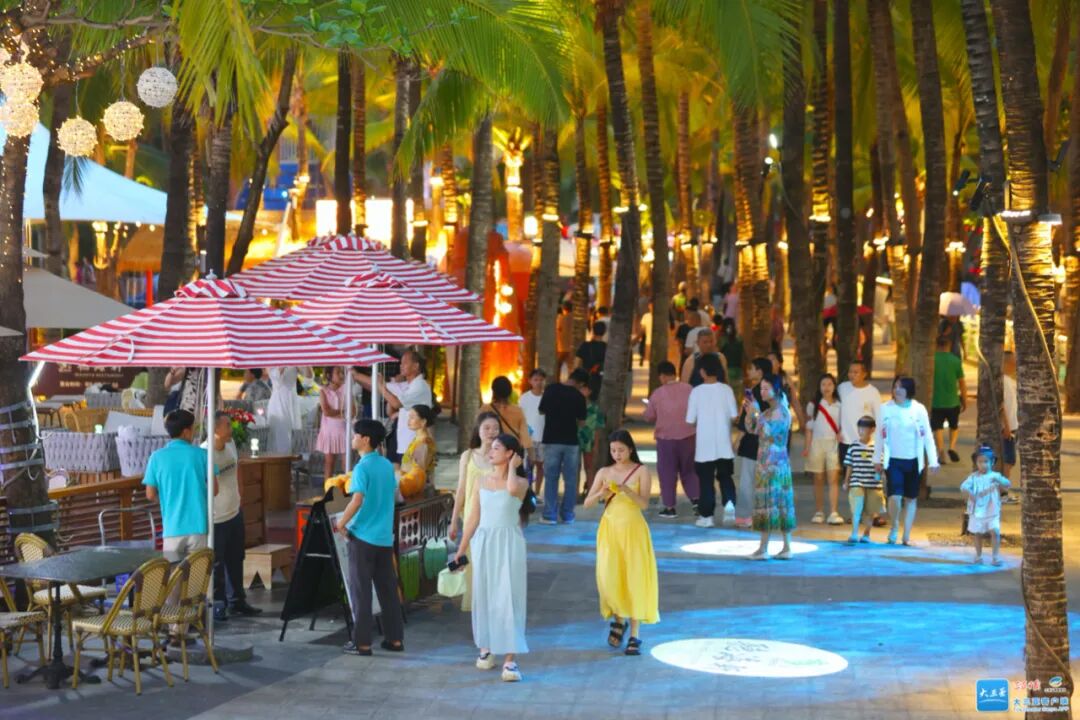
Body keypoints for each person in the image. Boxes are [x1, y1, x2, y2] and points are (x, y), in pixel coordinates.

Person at [453, 434, 531, 682]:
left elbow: (511, 489)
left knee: (510, 596)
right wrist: (461, 549)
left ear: (510, 454)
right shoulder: (481, 481)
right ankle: (485, 647)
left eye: (497, 448)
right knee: (484, 594)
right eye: (492, 448)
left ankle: (510, 659)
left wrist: (513, 467)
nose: (491, 451)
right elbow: (473, 517)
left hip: (509, 542)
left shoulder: (520, 482)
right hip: (484, 541)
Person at [583, 430, 659, 656]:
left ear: (630, 449)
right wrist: (601, 493)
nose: (617, 454)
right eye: (613, 450)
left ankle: (635, 633)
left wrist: (626, 490)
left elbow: (644, 504)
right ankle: (618, 618)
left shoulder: (641, 471)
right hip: (610, 530)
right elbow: (587, 503)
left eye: (621, 450)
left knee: (634, 577)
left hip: (633, 530)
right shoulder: (604, 472)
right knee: (610, 576)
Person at [335, 419, 405, 656]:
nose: (353, 438)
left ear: (365, 439)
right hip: (384, 537)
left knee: (361, 592)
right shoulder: (386, 465)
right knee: (388, 590)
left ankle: (362, 642)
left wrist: (341, 523)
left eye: (355, 435)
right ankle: (395, 639)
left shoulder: (362, 468)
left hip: (363, 537)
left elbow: (357, 500)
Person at [206, 412, 261, 621]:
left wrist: (240, 491)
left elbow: (237, 467)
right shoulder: (206, 452)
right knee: (217, 564)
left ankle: (237, 601)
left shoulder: (230, 445)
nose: (231, 429)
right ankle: (218, 605)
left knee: (236, 558)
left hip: (234, 511)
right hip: (216, 517)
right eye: (227, 425)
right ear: (215, 429)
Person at [874, 376, 939, 546]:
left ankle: (906, 535)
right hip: (893, 461)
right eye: (895, 386)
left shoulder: (919, 409)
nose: (897, 390)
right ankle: (894, 525)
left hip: (913, 461)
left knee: (911, 498)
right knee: (894, 497)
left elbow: (928, 436)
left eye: (901, 387)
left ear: (909, 390)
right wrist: (876, 459)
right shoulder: (885, 409)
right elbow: (879, 436)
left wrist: (933, 461)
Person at [143, 410, 217, 555]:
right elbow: (214, 490)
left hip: (172, 528)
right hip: (198, 526)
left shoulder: (156, 458)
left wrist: (168, 499)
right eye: (193, 428)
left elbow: (150, 494)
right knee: (198, 569)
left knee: (172, 569)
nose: (195, 432)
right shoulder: (203, 455)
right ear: (186, 432)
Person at [449, 412, 501, 612]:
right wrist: (454, 520)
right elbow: (461, 489)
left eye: (495, 428)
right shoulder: (468, 456)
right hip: (471, 513)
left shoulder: (500, 456)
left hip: (493, 516)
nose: (491, 432)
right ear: (478, 430)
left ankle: (492, 602)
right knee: (473, 558)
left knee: (491, 559)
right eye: (486, 428)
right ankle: (477, 603)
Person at [746, 375, 797, 559]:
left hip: (775, 465)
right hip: (766, 462)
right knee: (774, 503)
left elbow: (769, 433)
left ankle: (767, 548)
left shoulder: (782, 412)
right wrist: (751, 413)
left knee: (775, 503)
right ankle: (781, 547)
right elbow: (752, 429)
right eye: (761, 388)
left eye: (766, 388)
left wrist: (756, 414)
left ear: (776, 390)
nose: (762, 392)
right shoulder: (768, 412)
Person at [686, 354, 739, 528]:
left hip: (704, 446)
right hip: (724, 444)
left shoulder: (696, 392)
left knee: (706, 481)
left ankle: (707, 516)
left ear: (702, 371)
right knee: (725, 477)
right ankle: (729, 504)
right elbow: (734, 416)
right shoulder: (727, 390)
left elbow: (690, 420)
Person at [644, 361, 698, 518]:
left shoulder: (657, 394)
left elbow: (649, 416)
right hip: (689, 436)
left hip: (666, 439)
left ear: (661, 376)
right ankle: (697, 500)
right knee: (690, 470)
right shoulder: (689, 389)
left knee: (667, 472)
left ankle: (669, 507)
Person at [539, 368, 588, 524]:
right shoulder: (579, 397)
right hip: (571, 442)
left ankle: (550, 515)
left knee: (551, 478)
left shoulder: (551, 389)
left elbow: (541, 411)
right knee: (571, 479)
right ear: (581, 384)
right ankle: (568, 514)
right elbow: (582, 422)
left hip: (551, 440)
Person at [733, 358, 773, 529]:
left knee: (748, 479)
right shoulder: (775, 392)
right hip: (769, 442)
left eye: (752, 368)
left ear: (760, 371)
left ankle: (745, 516)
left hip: (752, 442)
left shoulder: (754, 392)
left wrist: (738, 439)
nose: (749, 371)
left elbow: (748, 419)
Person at [374, 350, 433, 464]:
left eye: (405, 363)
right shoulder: (409, 385)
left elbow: (397, 403)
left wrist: (381, 386)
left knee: (411, 473)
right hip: (404, 441)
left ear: (416, 366)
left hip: (413, 442)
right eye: (401, 363)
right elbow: (392, 408)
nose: (401, 366)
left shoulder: (420, 385)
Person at [960, 446, 1010, 566]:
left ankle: (995, 557)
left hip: (992, 509)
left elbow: (1007, 484)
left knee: (995, 531)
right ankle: (978, 556)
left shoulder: (995, 475)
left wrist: (1000, 480)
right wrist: (970, 492)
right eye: (980, 462)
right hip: (977, 510)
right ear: (976, 463)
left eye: (986, 461)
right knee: (978, 533)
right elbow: (963, 486)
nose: (983, 465)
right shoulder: (973, 477)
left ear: (992, 462)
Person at [804, 373, 843, 525]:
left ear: (834, 386)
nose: (826, 388)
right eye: (823, 384)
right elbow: (809, 428)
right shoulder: (813, 405)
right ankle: (819, 511)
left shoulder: (840, 405)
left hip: (833, 444)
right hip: (816, 444)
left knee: (833, 478)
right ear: (819, 387)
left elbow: (842, 425)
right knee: (818, 479)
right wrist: (807, 447)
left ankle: (833, 511)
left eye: (829, 384)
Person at [842, 416, 883, 544]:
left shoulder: (877, 447)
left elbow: (881, 464)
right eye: (859, 428)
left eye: (864, 428)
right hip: (857, 480)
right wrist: (846, 481)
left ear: (872, 429)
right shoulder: (853, 446)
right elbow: (849, 465)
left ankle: (866, 534)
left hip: (873, 483)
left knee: (871, 510)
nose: (861, 431)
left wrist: (880, 471)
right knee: (857, 507)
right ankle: (854, 533)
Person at [930, 334, 967, 464]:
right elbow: (962, 382)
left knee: (938, 427)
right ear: (949, 346)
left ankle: (940, 450)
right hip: (953, 401)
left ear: (936, 345)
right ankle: (951, 447)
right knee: (954, 426)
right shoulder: (955, 360)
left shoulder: (932, 360)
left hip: (936, 401)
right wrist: (964, 399)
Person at [479, 376, 532, 454]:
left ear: (493, 391)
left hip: (491, 450)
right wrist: (532, 456)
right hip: (511, 451)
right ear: (510, 392)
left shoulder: (485, 409)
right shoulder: (518, 410)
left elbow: (478, 431)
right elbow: (525, 437)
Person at [267, 367, 312, 454]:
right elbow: (277, 381)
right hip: (278, 402)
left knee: (294, 433)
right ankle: (279, 458)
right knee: (281, 434)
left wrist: (307, 364)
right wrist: (284, 363)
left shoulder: (293, 361)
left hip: (292, 401)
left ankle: (292, 459)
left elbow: (308, 379)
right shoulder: (270, 361)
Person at [316, 366, 348, 481]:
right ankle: (328, 489)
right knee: (329, 463)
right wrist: (343, 411)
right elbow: (326, 411)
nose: (341, 375)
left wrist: (339, 412)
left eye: (342, 372)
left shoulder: (346, 389)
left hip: (344, 431)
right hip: (329, 431)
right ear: (329, 376)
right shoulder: (323, 391)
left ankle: (348, 489)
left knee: (347, 463)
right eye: (338, 373)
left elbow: (353, 411)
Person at [518, 369, 546, 500]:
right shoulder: (524, 398)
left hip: (543, 437)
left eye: (541, 380)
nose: (538, 383)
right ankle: (528, 491)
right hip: (529, 438)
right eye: (536, 380)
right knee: (529, 466)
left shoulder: (547, 397)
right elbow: (521, 417)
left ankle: (538, 491)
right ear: (530, 381)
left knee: (541, 466)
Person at [399, 404, 438, 496]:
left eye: (412, 417)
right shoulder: (419, 440)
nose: (409, 420)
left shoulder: (423, 443)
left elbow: (419, 472)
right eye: (409, 417)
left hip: (416, 490)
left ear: (423, 421)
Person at [767, 351, 806, 429]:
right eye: (768, 360)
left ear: (779, 363)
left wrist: (802, 422)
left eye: (773, 359)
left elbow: (795, 401)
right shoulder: (763, 380)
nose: (769, 362)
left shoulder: (785, 379)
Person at [1000, 351, 1019, 501]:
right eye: (1013, 363)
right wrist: (1006, 426)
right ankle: (1003, 492)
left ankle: (1003, 490)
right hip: (1008, 428)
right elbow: (1002, 406)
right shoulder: (1003, 382)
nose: (1015, 366)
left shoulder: (1010, 382)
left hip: (1013, 426)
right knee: (1008, 460)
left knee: (1009, 460)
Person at [718, 318, 745, 398]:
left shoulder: (723, 340)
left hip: (727, 370)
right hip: (738, 370)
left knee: (727, 394)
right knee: (737, 394)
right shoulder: (739, 339)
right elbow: (743, 356)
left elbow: (718, 354)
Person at [556, 302, 574, 381]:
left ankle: (557, 380)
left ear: (563, 309)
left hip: (562, 347)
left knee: (558, 366)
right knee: (571, 367)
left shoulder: (561, 318)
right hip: (571, 347)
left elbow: (558, 331)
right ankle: (572, 381)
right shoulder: (574, 318)